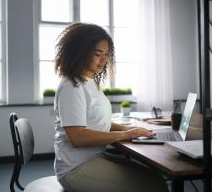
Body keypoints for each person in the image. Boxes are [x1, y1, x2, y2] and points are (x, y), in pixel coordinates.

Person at [53, 22, 168, 192]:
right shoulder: (72, 86)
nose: (104, 59)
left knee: (156, 177)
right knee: (155, 185)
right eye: (98, 54)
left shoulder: (89, 82)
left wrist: (129, 129)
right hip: (75, 168)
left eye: (107, 54)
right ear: (80, 52)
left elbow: (96, 121)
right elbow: (78, 137)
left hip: (93, 157)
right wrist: (126, 134)